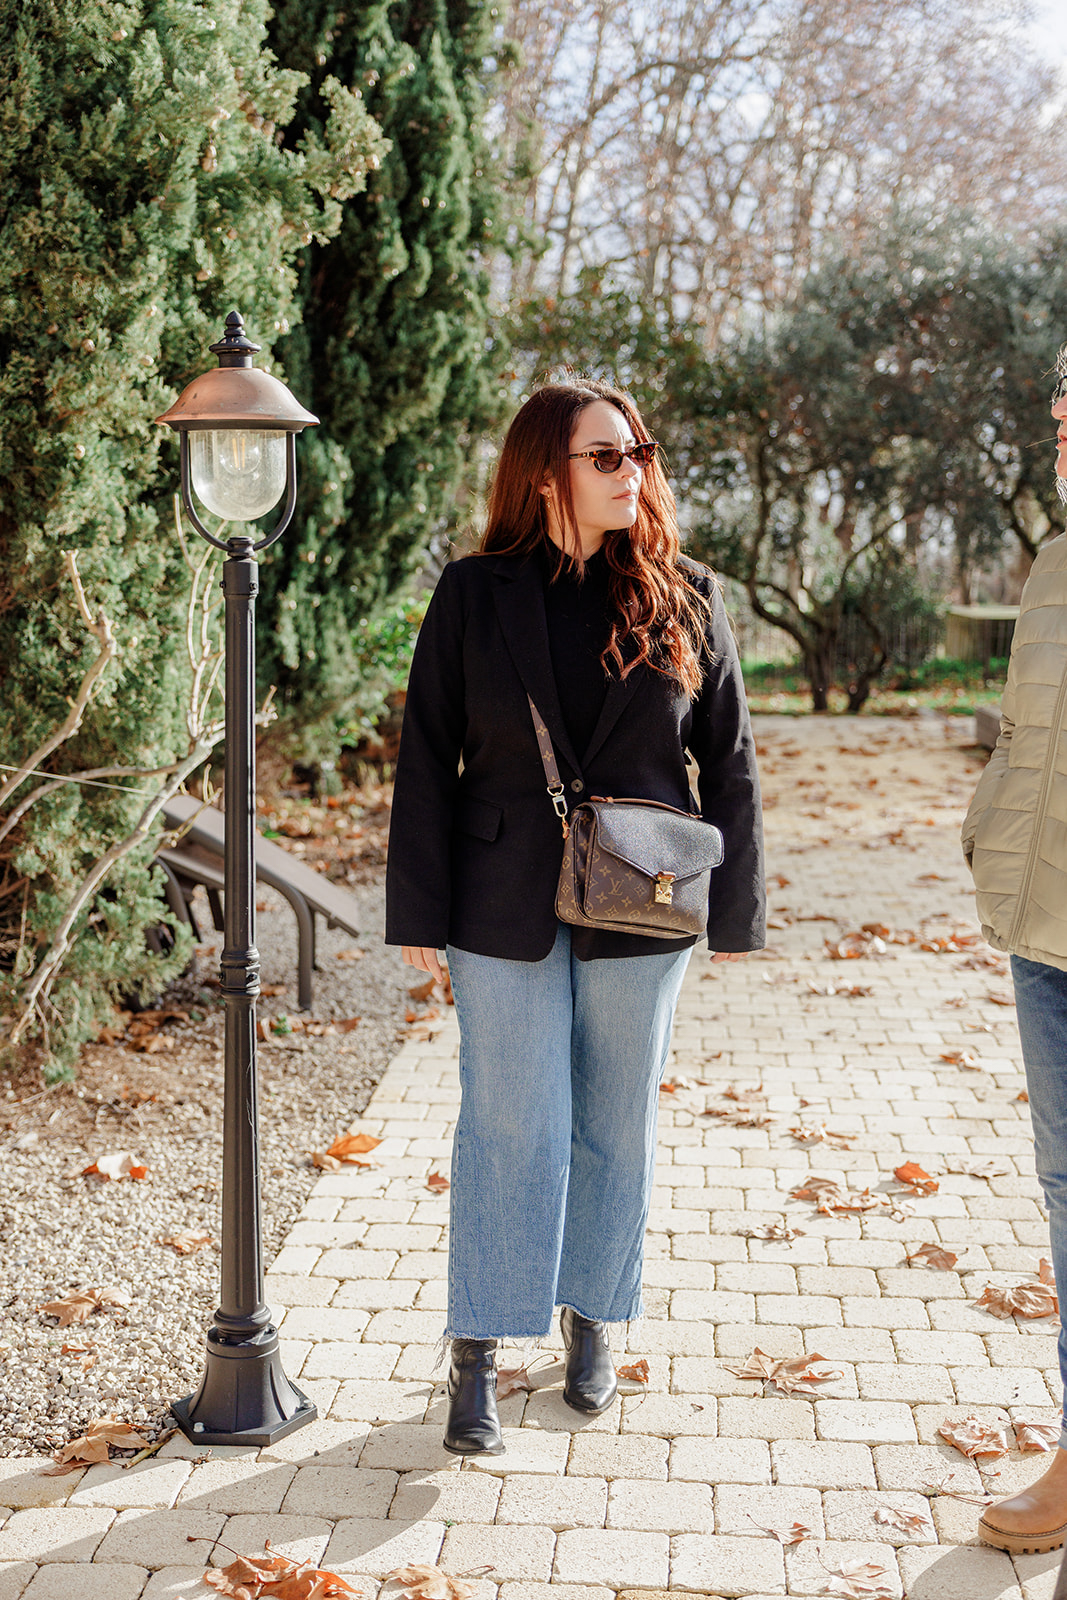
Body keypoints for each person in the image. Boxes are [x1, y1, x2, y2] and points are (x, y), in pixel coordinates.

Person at [385, 379, 765, 1455]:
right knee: (511, 1123)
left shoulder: (685, 594)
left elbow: (729, 761)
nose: (629, 470)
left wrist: (735, 914)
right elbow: (427, 754)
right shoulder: (474, 592)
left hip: (642, 904)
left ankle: (592, 1315)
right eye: (605, 455)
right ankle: (478, 1348)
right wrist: (415, 908)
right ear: (544, 473)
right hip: (497, 899)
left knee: (614, 1124)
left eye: (637, 451)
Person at [962, 345, 1067, 1554]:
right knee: (1063, 1190)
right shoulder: (1051, 565)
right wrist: (987, 830)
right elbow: (1018, 735)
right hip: (1041, 933)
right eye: (1057, 418)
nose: (1060, 436)